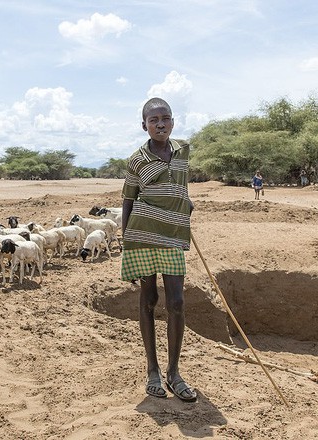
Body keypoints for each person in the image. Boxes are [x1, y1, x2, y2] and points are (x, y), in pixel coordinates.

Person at [120, 97, 198, 403]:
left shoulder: (183, 150)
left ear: (173, 122)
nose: (160, 124)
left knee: (177, 301)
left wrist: (184, 201)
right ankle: (152, 371)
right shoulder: (135, 160)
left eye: (165, 118)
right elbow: (128, 198)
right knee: (149, 298)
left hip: (173, 233)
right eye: (154, 120)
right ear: (145, 126)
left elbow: (180, 183)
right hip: (143, 233)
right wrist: (126, 241)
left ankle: (174, 373)